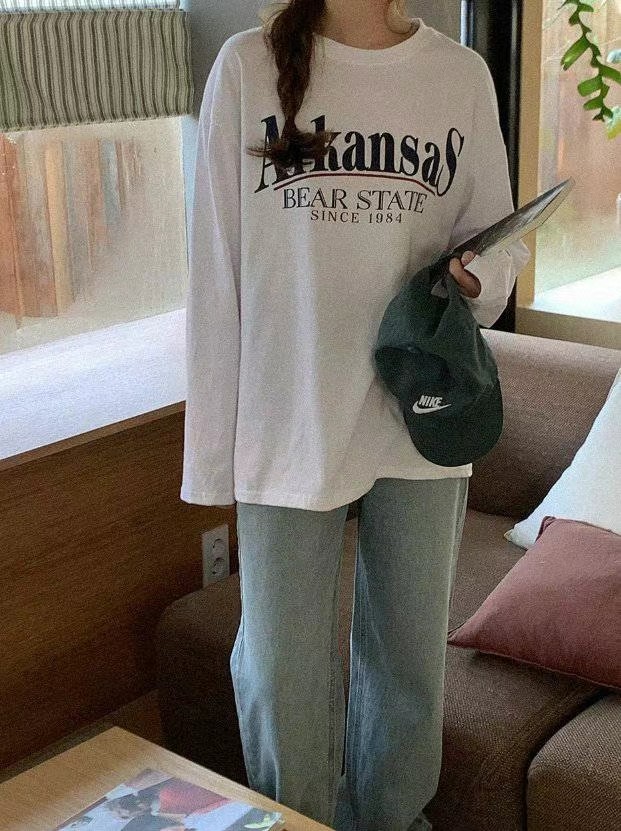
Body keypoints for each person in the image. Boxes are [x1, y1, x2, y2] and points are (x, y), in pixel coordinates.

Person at [180, 1, 532, 830]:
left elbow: (501, 242)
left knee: (407, 671)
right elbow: (213, 269)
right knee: (278, 675)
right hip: (287, 415)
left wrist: (483, 276)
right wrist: (214, 455)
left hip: (419, 408)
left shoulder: (458, 75)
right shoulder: (246, 67)